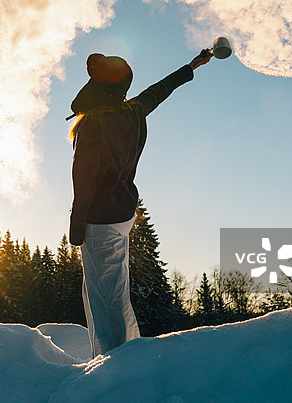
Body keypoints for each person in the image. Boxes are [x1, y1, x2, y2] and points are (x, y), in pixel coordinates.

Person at [68, 48, 213, 357]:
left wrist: (76, 228)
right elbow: (159, 91)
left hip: (100, 219)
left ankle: (115, 362)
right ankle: (116, 357)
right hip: (123, 214)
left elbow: (84, 183)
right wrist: (191, 66)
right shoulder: (133, 111)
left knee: (104, 296)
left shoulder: (92, 124)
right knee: (112, 287)